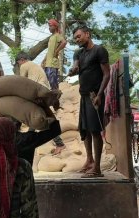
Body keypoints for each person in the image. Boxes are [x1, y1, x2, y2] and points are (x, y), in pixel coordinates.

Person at [68, 25, 111, 178]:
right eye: (75, 38)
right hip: (84, 96)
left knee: (94, 130)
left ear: (88, 34)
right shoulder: (78, 53)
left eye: (79, 36)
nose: (77, 39)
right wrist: (72, 71)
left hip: (95, 96)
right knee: (84, 130)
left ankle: (97, 168)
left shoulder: (99, 50)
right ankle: (89, 160)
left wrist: (100, 94)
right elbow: (75, 67)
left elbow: (107, 74)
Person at [15, 51, 66, 155]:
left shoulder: (24, 65)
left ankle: (59, 144)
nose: (19, 65)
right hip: (44, 92)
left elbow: (21, 82)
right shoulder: (35, 66)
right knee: (38, 117)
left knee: (37, 117)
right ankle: (58, 143)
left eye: (18, 63)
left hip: (38, 94)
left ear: (21, 60)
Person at [41, 19, 67, 90]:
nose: (49, 28)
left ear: (55, 27)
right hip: (48, 63)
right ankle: (53, 95)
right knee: (48, 81)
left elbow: (64, 42)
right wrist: (44, 60)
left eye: (50, 26)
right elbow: (49, 51)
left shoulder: (57, 35)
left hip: (53, 63)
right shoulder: (51, 37)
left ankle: (56, 96)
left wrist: (57, 51)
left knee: (53, 82)